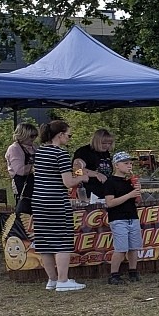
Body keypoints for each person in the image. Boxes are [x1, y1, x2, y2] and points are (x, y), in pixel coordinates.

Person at [32, 120, 95, 291]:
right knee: (62, 240)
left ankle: (52, 280)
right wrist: (81, 177)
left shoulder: (39, 152)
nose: (69, 138)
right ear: (60, 135)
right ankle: (63, 280)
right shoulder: (60, 153)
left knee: (45, 241)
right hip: (56, 200)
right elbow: (68, 182)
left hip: (38, 200)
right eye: (69, 135)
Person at [104, 151, 144, 283]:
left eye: (131, 163)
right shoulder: (110, 182)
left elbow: (138, 201)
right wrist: (129, 195)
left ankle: (133, 271)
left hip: (132, 216)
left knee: (134, 247)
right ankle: (114, 275)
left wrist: (138, 192)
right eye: (126, 163)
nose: (129, 166)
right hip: (118, 218)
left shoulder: (129, 181)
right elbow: (110, 203)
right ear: (116, 165)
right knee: (121, 249)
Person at [5, 121, 38, 214]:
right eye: (31, 136)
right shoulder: (14, 148)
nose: (34, 138)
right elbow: (20, 170)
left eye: (35, 136)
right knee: (25, 210)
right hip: (21, 182)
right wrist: (35, 167)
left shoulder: (34, 147)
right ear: (23, 135)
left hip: (34, 181)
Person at [73, 128, 114, 200]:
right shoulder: (84, 151)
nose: (107, 146)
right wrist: (96, 174)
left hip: (106, 193)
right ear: (96, 141)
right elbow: (76, 170)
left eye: (109, 143)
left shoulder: (106, 153)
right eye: (104, 143)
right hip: (89, 194)